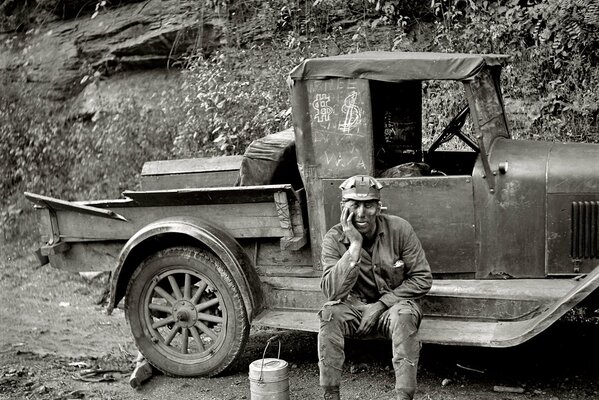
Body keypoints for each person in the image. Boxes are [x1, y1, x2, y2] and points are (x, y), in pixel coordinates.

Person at [318, 175, 433, 400]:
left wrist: (381, 305)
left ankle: (404, 396)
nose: (361, 213)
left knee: (404, 315)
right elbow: (332, 292)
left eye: (369, 205)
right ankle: (330, 395)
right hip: (355, 308)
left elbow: (422, 278)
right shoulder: (333, 238)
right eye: (354, 205)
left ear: (378, 207)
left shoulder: (400, 229)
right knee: (329, 314)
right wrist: (355, 245)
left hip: (393, 307)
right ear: (343, 208)